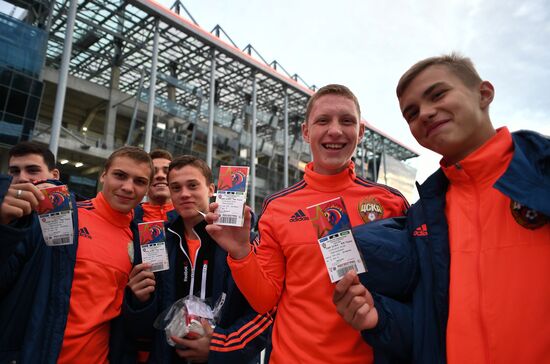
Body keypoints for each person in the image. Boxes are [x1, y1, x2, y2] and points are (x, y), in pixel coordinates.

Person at [334, 54, 550, 363]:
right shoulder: (424, 217)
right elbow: (428, 333)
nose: (425, 113)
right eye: (411, 113)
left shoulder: (542, 170)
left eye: (437, 95)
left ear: (484, 94)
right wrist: (377, 318)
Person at [204, 84, 410, 363]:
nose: (335, 130)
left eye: (346, 121)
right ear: (305, 132)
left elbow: (411, 293)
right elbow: (265, 300)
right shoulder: (278, 207)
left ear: (360, 133)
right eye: (323, 120)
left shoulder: (390, 202)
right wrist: (240, 251)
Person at [0, 146, 153, 363]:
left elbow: (136, 326)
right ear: (103, 175)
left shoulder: (143, 242)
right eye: (120, 175)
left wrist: (140, 301)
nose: (128, 187)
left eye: (139, 181)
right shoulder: (59, 215)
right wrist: (4, 227)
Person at [123, 155, 272, 364]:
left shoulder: (246, 241)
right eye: (176, 188)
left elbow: (263, 312)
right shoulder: (157, 240)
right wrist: (139, 301)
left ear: (211, 189)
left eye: (192, 185)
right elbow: (144, 326)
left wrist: (220, 347)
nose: (184, 194)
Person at [135, 149, 176, 223]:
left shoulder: (189, 218)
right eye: (154, 171)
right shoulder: (129, 217)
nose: (160, 175)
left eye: (166, 171)